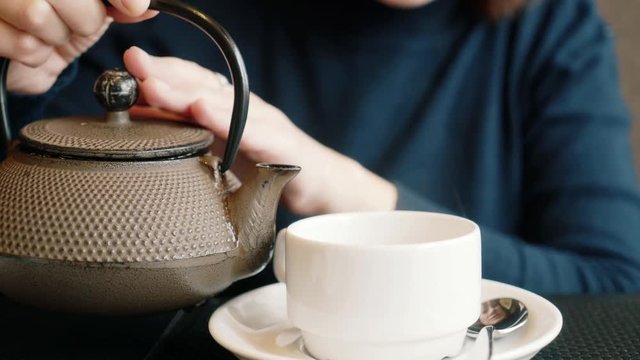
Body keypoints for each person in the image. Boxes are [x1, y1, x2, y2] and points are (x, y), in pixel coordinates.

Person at [1, 0, 639, 295]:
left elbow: (617, 285)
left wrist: (340, 187)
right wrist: (19, 85)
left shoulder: (552, 29)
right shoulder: (148, 18)